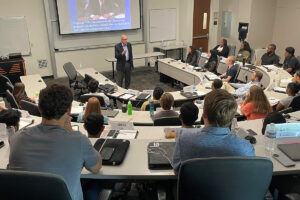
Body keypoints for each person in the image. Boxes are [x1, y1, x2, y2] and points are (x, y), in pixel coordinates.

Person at [9, 84, 102, 200]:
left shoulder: (16, 138)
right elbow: (96, 167)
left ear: (39, 108)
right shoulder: (79, 140)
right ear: (69, 110)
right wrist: (71, 132)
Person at [172, 89, 255, 172]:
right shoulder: (246, 148)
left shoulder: (184, 139)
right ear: (232, 118)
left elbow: (177, 170)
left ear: (204, 114)